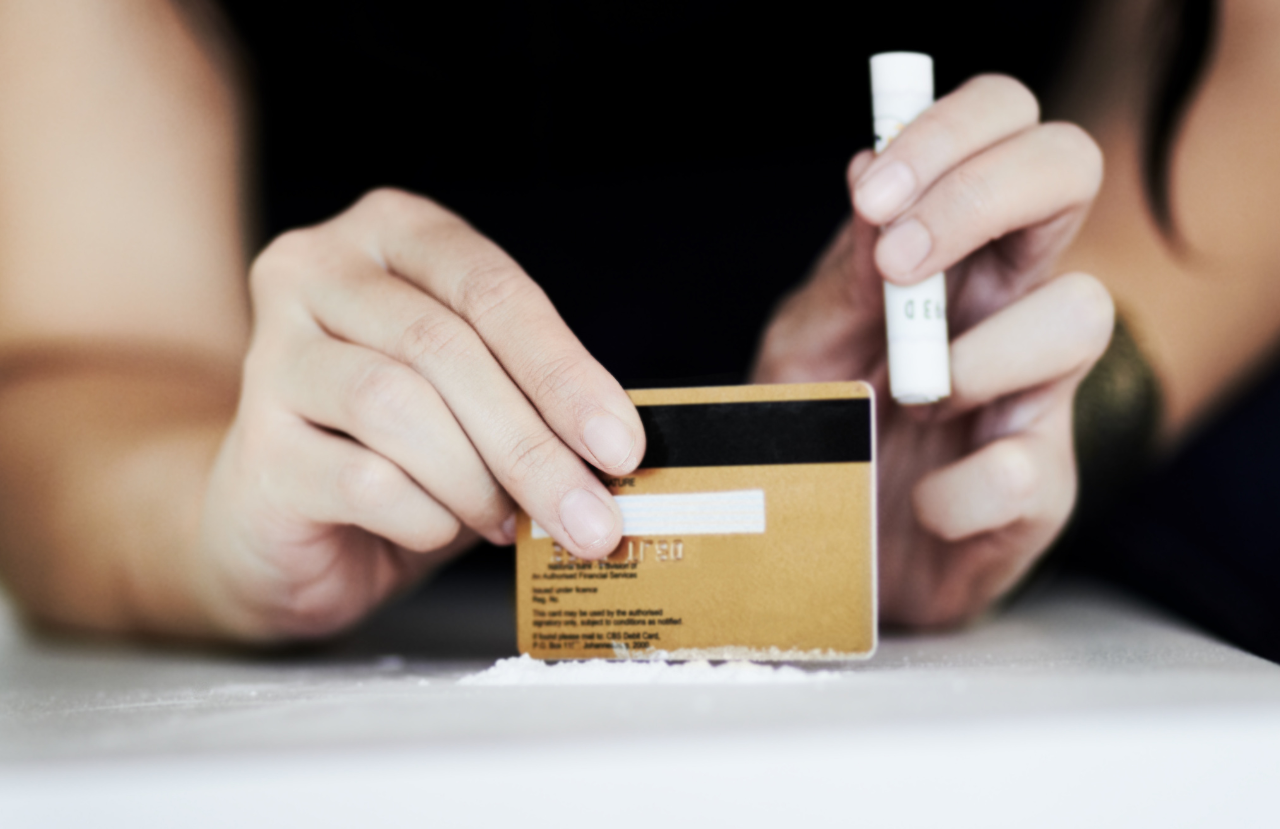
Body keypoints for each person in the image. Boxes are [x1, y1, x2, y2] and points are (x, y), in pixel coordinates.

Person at [0, 0, 1269, 650]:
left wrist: (1023, 422)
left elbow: (1238, 105)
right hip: (354, 426)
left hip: (975, 359)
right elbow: (79, 356)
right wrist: (217, 518)